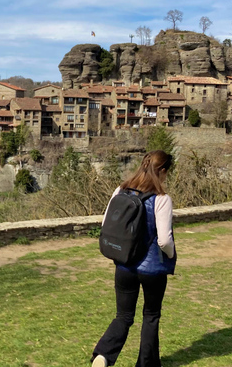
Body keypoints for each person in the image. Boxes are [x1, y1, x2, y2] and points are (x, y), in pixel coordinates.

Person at [91, 150, 176, 367]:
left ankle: (104, 355)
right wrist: (171, 254)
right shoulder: (162, 199)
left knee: (123, 316)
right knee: (151, 315)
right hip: (152, 269)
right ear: (163, 171)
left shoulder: (120, 190)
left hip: (124, 264)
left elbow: (106, 225)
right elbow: (164, 240)